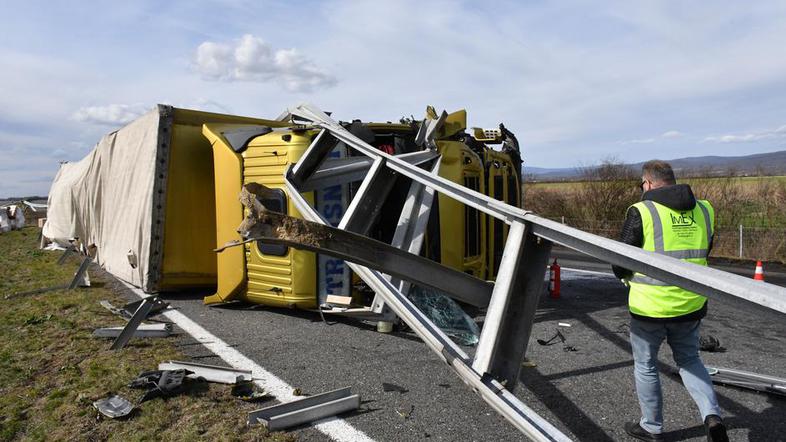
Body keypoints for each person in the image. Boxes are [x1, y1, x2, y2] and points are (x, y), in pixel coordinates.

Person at [612, 160, 728, 442]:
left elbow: (620, 260)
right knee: (690, 360)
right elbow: (705, 249)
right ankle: (712, 415)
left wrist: (626, 278)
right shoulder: (704, 209)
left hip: (649, 307)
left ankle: (652, 426)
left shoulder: (642, 211)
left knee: (646, 365)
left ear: (648, 183)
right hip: (690, 304)